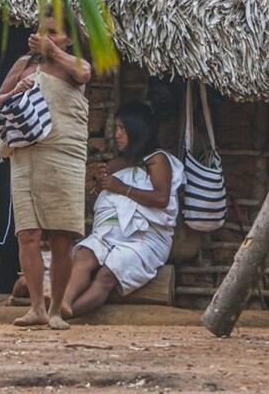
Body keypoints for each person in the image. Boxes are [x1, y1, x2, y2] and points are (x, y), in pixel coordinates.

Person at [0, 8, 91, 330]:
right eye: (42, 32)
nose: (45, 38)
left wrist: (53, 53)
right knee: (28, 235)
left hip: (64, 156)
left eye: (54, 33)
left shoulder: (73, 67)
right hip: (26, 156)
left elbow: (86, 73)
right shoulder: (24, 65)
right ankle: (36, 308)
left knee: (62, 236)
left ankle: (56, 310)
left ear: (69, 41)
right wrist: (14, 93)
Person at [61, 102, 185, 318]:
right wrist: (102, 185)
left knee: (107, 275)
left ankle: (66, 315)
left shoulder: (157, 160)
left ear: (138, 131)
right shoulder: (119, 163)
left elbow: (161, 198)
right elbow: (106, 203)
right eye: (116, 128)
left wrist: (121, 188)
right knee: (84, 255)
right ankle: (62, 304)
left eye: (123, 129)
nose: (117, 135)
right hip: (111, 233)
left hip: (146, 238)